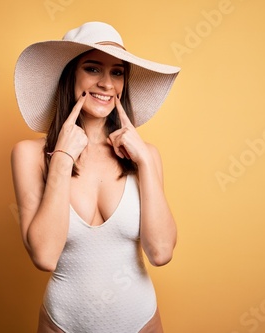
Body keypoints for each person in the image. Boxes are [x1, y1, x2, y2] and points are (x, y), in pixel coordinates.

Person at [11, 21, 180, 333]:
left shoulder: (147, 155)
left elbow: (161, 252)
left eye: (117, 72)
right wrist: (61, 159)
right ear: (69, 76)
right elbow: (45, 255)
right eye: (92, 68)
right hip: (62, 324)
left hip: (141, 323)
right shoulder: (29, 155)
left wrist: (143, 161)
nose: (106, 83)